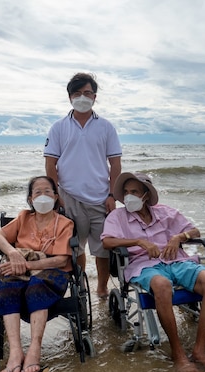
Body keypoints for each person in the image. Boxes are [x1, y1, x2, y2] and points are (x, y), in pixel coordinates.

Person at [101, 172, 205, 372]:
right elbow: (107, 241)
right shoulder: (118, 216)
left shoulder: (165, 212)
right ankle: (178, 354)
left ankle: (199, 352)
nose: (128, 196)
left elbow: (194, 231)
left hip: (176, 261)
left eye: (134, 191)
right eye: (125, 192)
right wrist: (138, 242)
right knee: (161, 285)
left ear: (145, 195)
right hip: (144, 265)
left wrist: (178, 237)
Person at [44, 72, 122, 299]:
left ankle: (102, 289)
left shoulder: (106, 127)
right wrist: (56, 195)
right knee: (75, 248)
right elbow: (50, 164)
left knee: (103, 249)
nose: (82, 97)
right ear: (70, 98)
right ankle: (80, 287)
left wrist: (112, 195)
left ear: (95, 97)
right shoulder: (58, 127)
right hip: (69, 196)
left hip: (101, 198)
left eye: (87, 93)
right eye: (77, 93)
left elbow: (115, 164)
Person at [0, 176, 74, 372]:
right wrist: (13, 253)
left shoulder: (64, 223)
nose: (43, 196)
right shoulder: (23, 218)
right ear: (30, 199)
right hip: (19, 267)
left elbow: (62, 259)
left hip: (52, 271)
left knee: (36, 287)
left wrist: (27, 265)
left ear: (56, 197)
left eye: (48, 192)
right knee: (7, 287)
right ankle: (16, 352)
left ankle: (34, 350)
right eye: (38, 192)